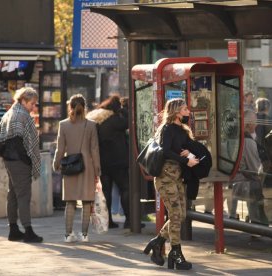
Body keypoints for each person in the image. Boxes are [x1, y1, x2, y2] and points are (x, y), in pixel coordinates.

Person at [143, 98, 199, 270]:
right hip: (165, 176)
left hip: (178, 177)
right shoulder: (167, 129)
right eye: (184, 109)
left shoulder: (182, 129)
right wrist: (185, 160)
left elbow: (182, 148)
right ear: (176, 112)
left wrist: (189, 153)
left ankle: (158, 241)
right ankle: (176, 253)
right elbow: (166, 151)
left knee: (180, 215)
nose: (188, 111)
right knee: (175, 214)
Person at [86, 94, 141, 229]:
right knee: (125, 188)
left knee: (106, 192)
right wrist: (124, 110)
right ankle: (129, 220)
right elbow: (129, 122)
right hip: (118, 162)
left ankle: (107, 221)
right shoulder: (115, 119)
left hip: (102, 162)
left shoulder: (97, 120)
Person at [53, 94, 101, 242]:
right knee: (87, 201)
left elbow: (60, 148)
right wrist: (97, 168)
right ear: (85, 107)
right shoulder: (91, 125)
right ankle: (85, 235)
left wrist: (56, 163)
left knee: (70, 201)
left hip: (70, 166)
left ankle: (68, 235)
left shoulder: (63, 125)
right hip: (87, 165)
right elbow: (94, 149)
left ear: (70, 107)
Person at [0, 87, 42, 243]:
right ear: (24, 100)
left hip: (10, 159)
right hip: (18, 161)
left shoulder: (11, 112)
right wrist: (27, 159)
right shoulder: (20, 114)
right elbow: (17, 140)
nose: (34, 107)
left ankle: (14, 230)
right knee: (23, 195)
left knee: (13, 195)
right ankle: (28, 231)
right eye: (32, 103)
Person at [228, 110, 267, 224]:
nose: (257, 125)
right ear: (249, 124)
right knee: (258, 186)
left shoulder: (234, 138)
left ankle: (233, 214)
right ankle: (256, 221)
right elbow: (255, 169)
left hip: (233, 180)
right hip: (242, 182)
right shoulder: (248, 142)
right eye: (255, 122)